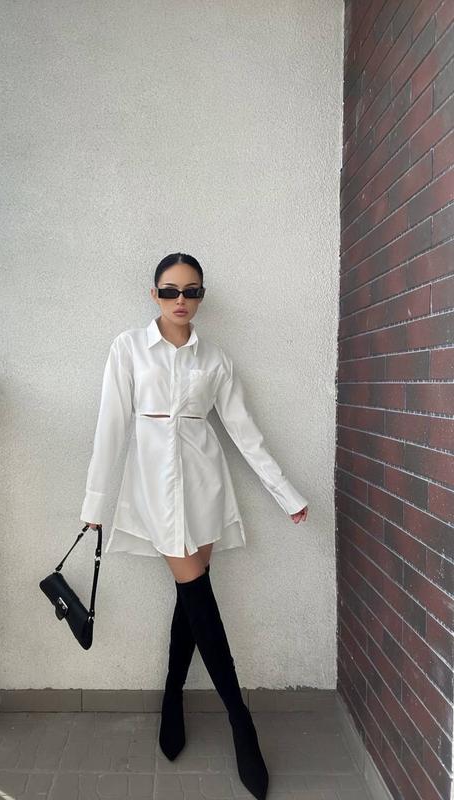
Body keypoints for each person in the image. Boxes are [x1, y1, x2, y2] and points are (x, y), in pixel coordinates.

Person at [80, 252, 309, 800]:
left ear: (201, 296)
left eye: (191, 290)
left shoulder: (216, 359)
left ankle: (172, 696)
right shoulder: (128, 348)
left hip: (205, 487)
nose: (180, 300)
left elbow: (244, 432)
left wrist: (286, 494)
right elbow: (111, 427)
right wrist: (96, 503)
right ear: (154, 294)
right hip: (153, 491)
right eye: (169, 290)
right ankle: (240, 721)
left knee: (193, 599)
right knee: (198, 596)